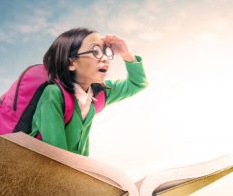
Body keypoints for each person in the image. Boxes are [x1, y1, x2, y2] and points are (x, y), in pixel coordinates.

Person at [29, 27, 148, 156]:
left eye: (105, 52)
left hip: (75, 168)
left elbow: (137, 83)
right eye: (96, 51)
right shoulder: (53, 94)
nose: (105, 58)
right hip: (45, 169)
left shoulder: (100, 93)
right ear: (71, 63)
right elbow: (57, 155)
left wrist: (126, 53)